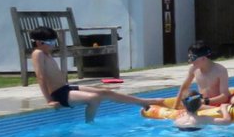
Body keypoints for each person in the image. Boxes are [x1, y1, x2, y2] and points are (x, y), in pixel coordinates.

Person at [28, 26, 162, 123]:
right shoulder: (38, 53)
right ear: (39, 42)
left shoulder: (46, 53)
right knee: (94, 98)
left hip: (66, 88)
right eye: (50, 42)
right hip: (59, 93)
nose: (53, 45)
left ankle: (143, 102)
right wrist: (50, 100)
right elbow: (41, 77)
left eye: (53, 42)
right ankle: (89, 124)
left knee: (105, 92)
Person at [174, 42, 231, 108]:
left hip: (221, 103)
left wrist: (204, 101)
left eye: (193, 58)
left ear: (203, 58)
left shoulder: (220, 70)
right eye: (189, 57)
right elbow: (184, 88)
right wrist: (175, 108)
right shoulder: (193, 69)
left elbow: (225, 96)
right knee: (185, 102)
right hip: (205, 103)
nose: (191, 61)